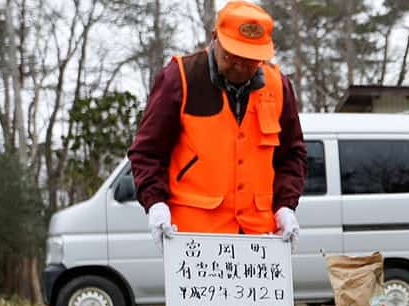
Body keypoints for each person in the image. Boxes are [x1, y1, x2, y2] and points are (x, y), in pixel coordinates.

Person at [128, 0, 306, 251]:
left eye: (250, 59)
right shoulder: (180, 78)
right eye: (232, 56)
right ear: (214, 38)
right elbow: (147, 152)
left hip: (260, 240)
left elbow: (292, 156)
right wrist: (156, 204)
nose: (241, 66)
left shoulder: (278, 86)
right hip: (196, 241)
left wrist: (286, 206)